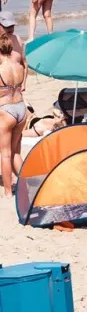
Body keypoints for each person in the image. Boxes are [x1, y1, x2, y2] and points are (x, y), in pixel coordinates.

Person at [0, 27, 24, 197]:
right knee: (15, 151)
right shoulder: (17, 60)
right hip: (21, 108)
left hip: (6, 110)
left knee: (5, 154)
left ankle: (8, 191)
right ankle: (26, 184)